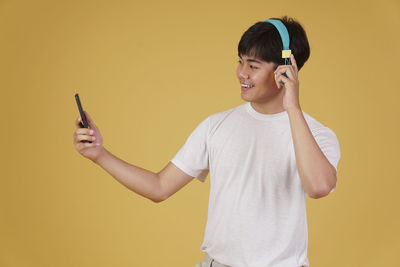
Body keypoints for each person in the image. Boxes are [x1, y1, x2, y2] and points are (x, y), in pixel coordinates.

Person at [73, 16, 341, 267]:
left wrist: (292, 107)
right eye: (240, 61)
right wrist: (100, 155)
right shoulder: (217, 126)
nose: (241, 73)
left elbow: (319, 186)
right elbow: (159, 187)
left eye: (253, 66)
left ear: (285, 69)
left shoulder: (316, 135)